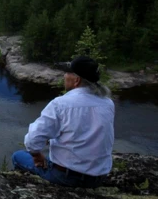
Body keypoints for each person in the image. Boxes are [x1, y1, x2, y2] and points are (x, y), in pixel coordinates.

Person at [12, 56, 115, 188]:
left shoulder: (61, 104)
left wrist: (37, 156)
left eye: (66, 73)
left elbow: (33, 140)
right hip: (98, 178)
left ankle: (24, 186)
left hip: (67, 178)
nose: (64, 76)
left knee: (18, 156)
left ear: (76, 80)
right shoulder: (107, 103)